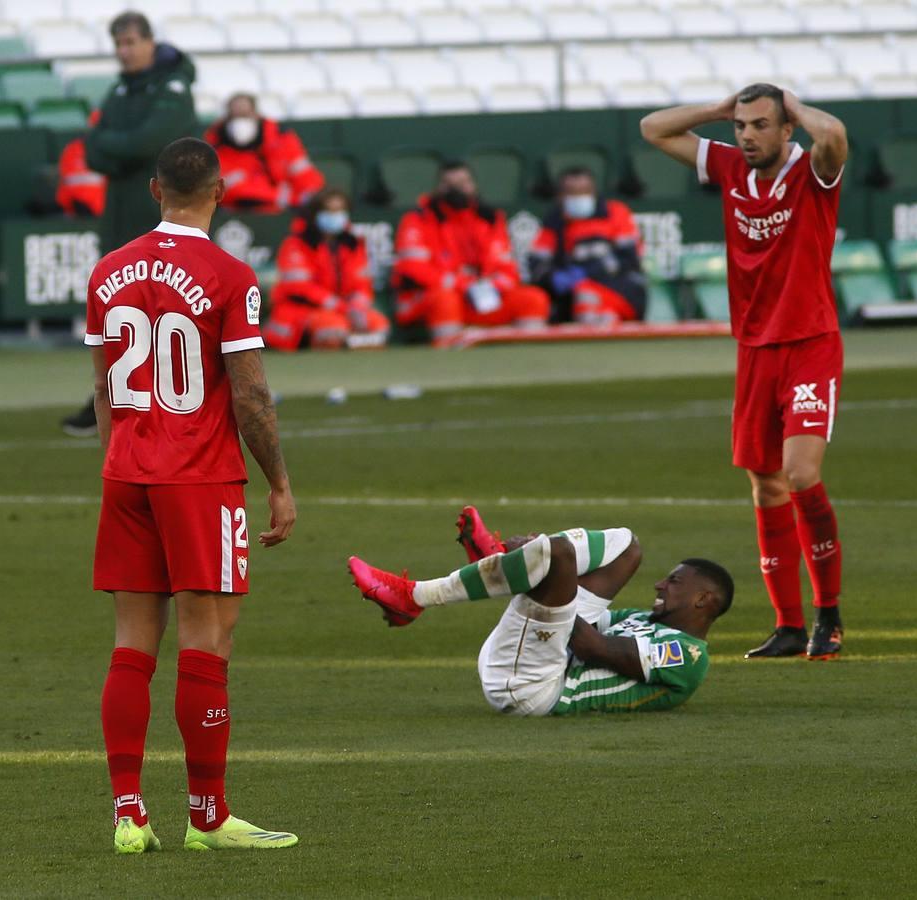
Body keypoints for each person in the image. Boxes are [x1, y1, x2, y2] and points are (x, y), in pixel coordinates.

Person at [86, 137, 298, 853]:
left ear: (153, 190)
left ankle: (126, 813)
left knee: (129, 646)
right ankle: (207, 817)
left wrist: (122, 451)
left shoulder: (107, 272)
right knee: (207, 643)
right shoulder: (230, 275)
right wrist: (277, 482)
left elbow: (100, 387)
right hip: (198, 476)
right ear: (220, 189)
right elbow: (251, 396)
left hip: (127, 470)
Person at [641, 83, 848, 660]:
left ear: (787, 129)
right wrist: (718, 108)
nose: (749, 135)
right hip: (755, 348)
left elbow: (831, 134)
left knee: (800, 475)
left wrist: (790, 101)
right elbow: (653, 128)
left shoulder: (814, 171)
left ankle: (827, 616)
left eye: (762, 124)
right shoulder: (731, 167)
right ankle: (786, 625)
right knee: (764, 484)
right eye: (742, 125)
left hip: (810, 341)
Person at [350, 507, 732, 716]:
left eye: (675, 582)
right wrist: (543, 569)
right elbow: (571, 612)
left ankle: (414, 597)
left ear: (703, 600)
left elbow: (592, 647)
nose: (660, 585)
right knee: (627, 547)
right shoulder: (642, 620)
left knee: (559, 558)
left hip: (535, 691)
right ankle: (507, 562)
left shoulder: (688, 654)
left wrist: (547, 570)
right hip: (532, 663)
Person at [61, 10, 197, 437]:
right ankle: (115, 393)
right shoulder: (120, 89)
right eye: (119, 44)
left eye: (131, 42)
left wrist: (114, 146)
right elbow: (92, 148)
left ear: (150, 42)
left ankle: (179, 395)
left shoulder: (172, 86)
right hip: (122, 213)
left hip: (163, 215)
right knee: (121, 307)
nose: (125, 52)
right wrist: (119, 148)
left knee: (168, 306)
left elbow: (152, 141)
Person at [392, 161, 550, 346]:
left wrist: (494, 286)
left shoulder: (489, 218)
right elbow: (414, 268)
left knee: (533, 299)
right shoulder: (418, 219)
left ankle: (527, 359)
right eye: (450, 185)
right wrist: (462, 284)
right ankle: (450, 355)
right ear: (439, 187)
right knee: (445, 299)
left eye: (463, 183)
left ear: (473, 184)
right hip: (436, 298)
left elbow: (507, 267)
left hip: (483, 296)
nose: (458, 190)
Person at [267, 188, 389, 351]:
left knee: (378, 325)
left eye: (340, 211)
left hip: (342, 308)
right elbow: (300, 288)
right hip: (303, 310)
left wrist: (358, 305)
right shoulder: (296, 243)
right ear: (315, 214)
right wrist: (338, 305)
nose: (335, 216)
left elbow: (362, 283)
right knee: (332, 331)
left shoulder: (352, 244)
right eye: (330, 211)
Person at [527, 166, 648, 326]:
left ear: (594, 191)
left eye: (584, 191)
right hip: (573, 295)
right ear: (561, 196)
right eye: (572, 192)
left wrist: (589, 271)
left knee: (587, 294)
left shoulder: (614, 212)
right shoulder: (554, 221)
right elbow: (537, 264)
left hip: (620, 288)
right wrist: (554, 277)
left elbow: (629, 258)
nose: (579, 196)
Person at [203, 93, 324, 213]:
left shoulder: (281, 139)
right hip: (233, 214)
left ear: (256, 114)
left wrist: (305, 197)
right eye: (236, 116)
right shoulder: (215, 143)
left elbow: (306, 177)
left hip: (279, 212)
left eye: (245, 115)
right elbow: (224, 190)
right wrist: (281, 197)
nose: (241, 122)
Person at [56, 110, 106, 217]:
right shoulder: (73, 149)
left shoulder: (115, 148)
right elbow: (65, 184)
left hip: (103, 212)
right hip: (79, 211)